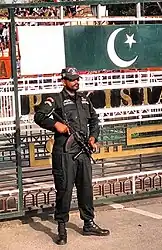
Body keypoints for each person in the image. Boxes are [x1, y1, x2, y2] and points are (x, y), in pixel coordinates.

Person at [34, 67, 110, 245]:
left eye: (77, 78)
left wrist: (93, 137)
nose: (76, 81)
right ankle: (61, 227)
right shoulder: (56, 100)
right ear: (63, 81)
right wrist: (55, 125)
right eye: (72, 79)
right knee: (65, 190)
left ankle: (88, 223)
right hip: (65, 153)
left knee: (86, 189)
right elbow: (39, 116)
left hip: (82, 151)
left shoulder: (84, 99)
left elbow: (94, 120)